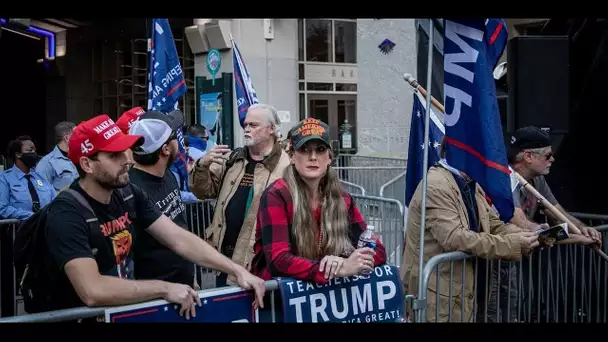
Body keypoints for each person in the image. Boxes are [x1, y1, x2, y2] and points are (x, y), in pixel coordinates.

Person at [40, 114, 265, 318]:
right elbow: (93, 290)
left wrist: (237, 270)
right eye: (114, 155)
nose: (127, 160)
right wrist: (165, 288)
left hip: (117, 314)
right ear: (87, 164)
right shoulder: (66, 213)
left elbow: (178, 237)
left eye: (125, 151)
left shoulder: (128, 193)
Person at [400, 141, 540, 323]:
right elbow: (455, 238)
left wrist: (528, 235)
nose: (487, 160)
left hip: (464, 291)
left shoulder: (472, 185)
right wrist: (512, 244)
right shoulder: (436, 185)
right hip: (440, 297)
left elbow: (495, 225)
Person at [252, 118, 387, 282]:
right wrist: (337, 268)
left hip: (324, 299)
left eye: (320, 149)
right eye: (304, 149)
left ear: (329, 158)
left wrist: (349, 261)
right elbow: (278, 260)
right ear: (292, 156)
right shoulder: (277, 195)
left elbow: (377, 250)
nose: (313, 157)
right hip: (281, 299)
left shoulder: (342, 198)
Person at [190, 103, 290, 287]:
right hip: (224, 262)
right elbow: (202, 192)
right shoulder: (234, 159)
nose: (247, 129)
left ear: (271, 129)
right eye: (246, 125)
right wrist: (202, 166)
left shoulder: (287, 167)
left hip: (259, 265)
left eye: (254, 125)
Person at [127, 110, 199, 289]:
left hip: (186, 285)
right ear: (166, 149)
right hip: (156, 296)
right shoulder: (130, 191)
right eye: (176, 135)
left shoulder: (168, 174)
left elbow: (181, 226)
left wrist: (192, 276)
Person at [508, 126, 601, 244]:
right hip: (496, 257)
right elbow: (531, 235)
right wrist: (577, 239)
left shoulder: (538, 179)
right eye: (547, 156)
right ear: (528, 156)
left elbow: (557, 215)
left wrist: (581, 229)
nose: (552, 159)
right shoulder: (506, 181)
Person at [0, 135, 56, 220]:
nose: (34, 153)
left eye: (34, 150)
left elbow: (55, 202)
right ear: (18, 154)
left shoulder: (40, 178)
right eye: (30, 150)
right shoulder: (5, 179)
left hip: (44, 229)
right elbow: (3, 208)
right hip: (19, 230)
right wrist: (32, 217)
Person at [36, 121, 78, 192]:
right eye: (76, 135)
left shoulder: (80, 157)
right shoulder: (47, 163)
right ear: (67, 138)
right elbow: (42, 193)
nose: (80, 138)